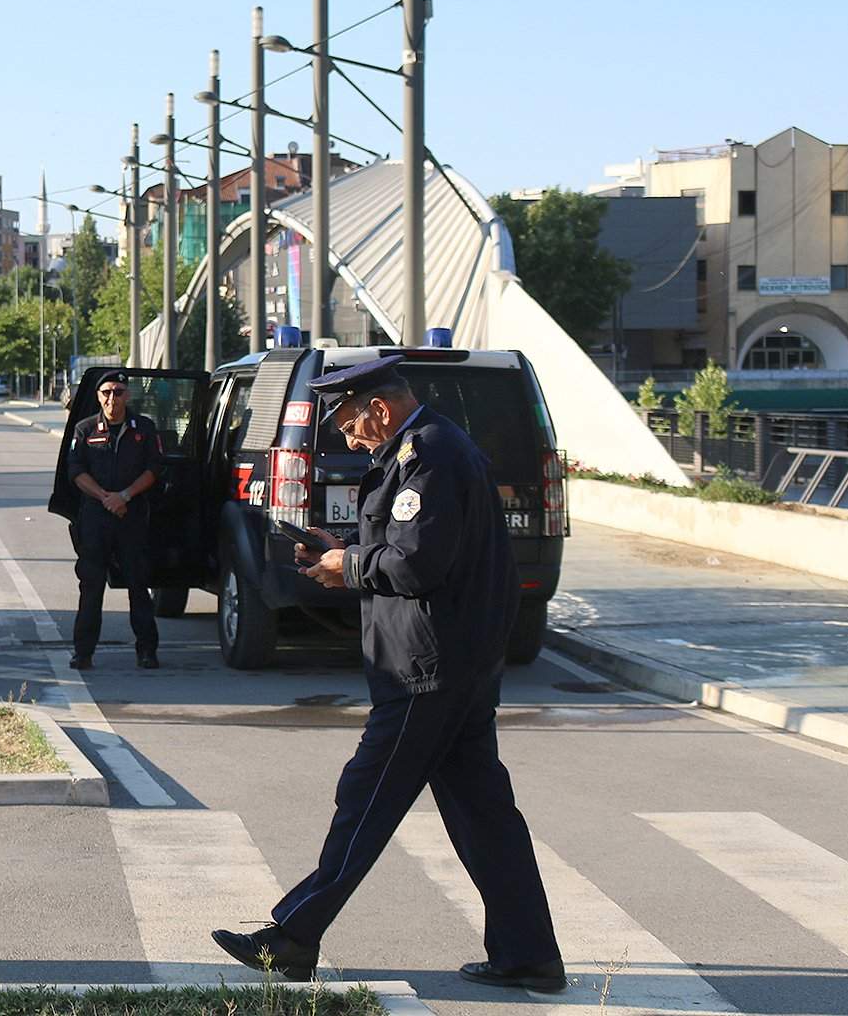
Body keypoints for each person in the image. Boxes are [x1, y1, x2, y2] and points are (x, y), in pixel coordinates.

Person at [209, 355, 564, 993]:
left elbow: (414, 566)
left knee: (365, 799)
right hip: (451, 661)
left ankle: (293, 936)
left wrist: (347, 566)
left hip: (427, 669)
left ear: (379, 408)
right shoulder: (421, 451)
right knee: (485, 818)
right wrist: (337, 551)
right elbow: (406, 550)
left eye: (345, 423)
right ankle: (528, 953)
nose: (343, 438)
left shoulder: (429, 457)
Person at [67, 370, 165, 671]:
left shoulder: (144, 428)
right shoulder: (85, 429)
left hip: (131, 514)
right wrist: (106, 498)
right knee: (91, 586)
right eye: (107, 392)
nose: (113, 398)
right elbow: (76, 471)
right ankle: (83, 653)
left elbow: (153, 469)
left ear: (128, 394)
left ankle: (147, 650)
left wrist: (124, 496)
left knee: (138, 584)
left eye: (118, 392)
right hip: (96, 518)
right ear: (98, 396)